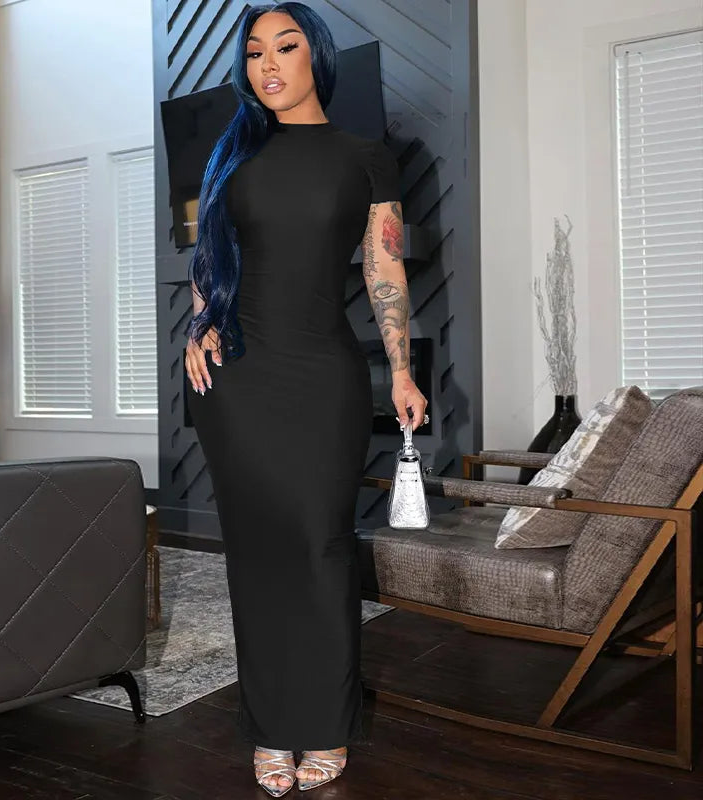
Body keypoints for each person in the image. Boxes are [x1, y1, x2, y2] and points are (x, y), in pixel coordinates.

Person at [184, 2, 428, 795]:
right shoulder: (232, 155)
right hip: (237, 381)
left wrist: (401, 370)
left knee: (322, 548)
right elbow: (209, 261)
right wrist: (198, 327)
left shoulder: (366, 159)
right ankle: (270, 727)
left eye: (284, 47)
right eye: (254, 51)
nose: (268, 64)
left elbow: (384, 270)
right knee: (257, 556)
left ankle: (325, 723)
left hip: (323, 377)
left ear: (315, 57)